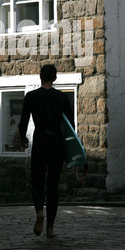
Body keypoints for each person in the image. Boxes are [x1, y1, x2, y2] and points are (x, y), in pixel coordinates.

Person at [19, 64, 74, 238]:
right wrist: (70, 149)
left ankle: (39, 213)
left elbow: (23, 122)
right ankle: (50, 228)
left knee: (37, 182)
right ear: (55, 78)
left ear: (40, 77)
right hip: (57, 144)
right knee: (53, 187)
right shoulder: (62, 98)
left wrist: (23, 138)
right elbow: (70, 126)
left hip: (40, 143)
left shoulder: (31, 97)